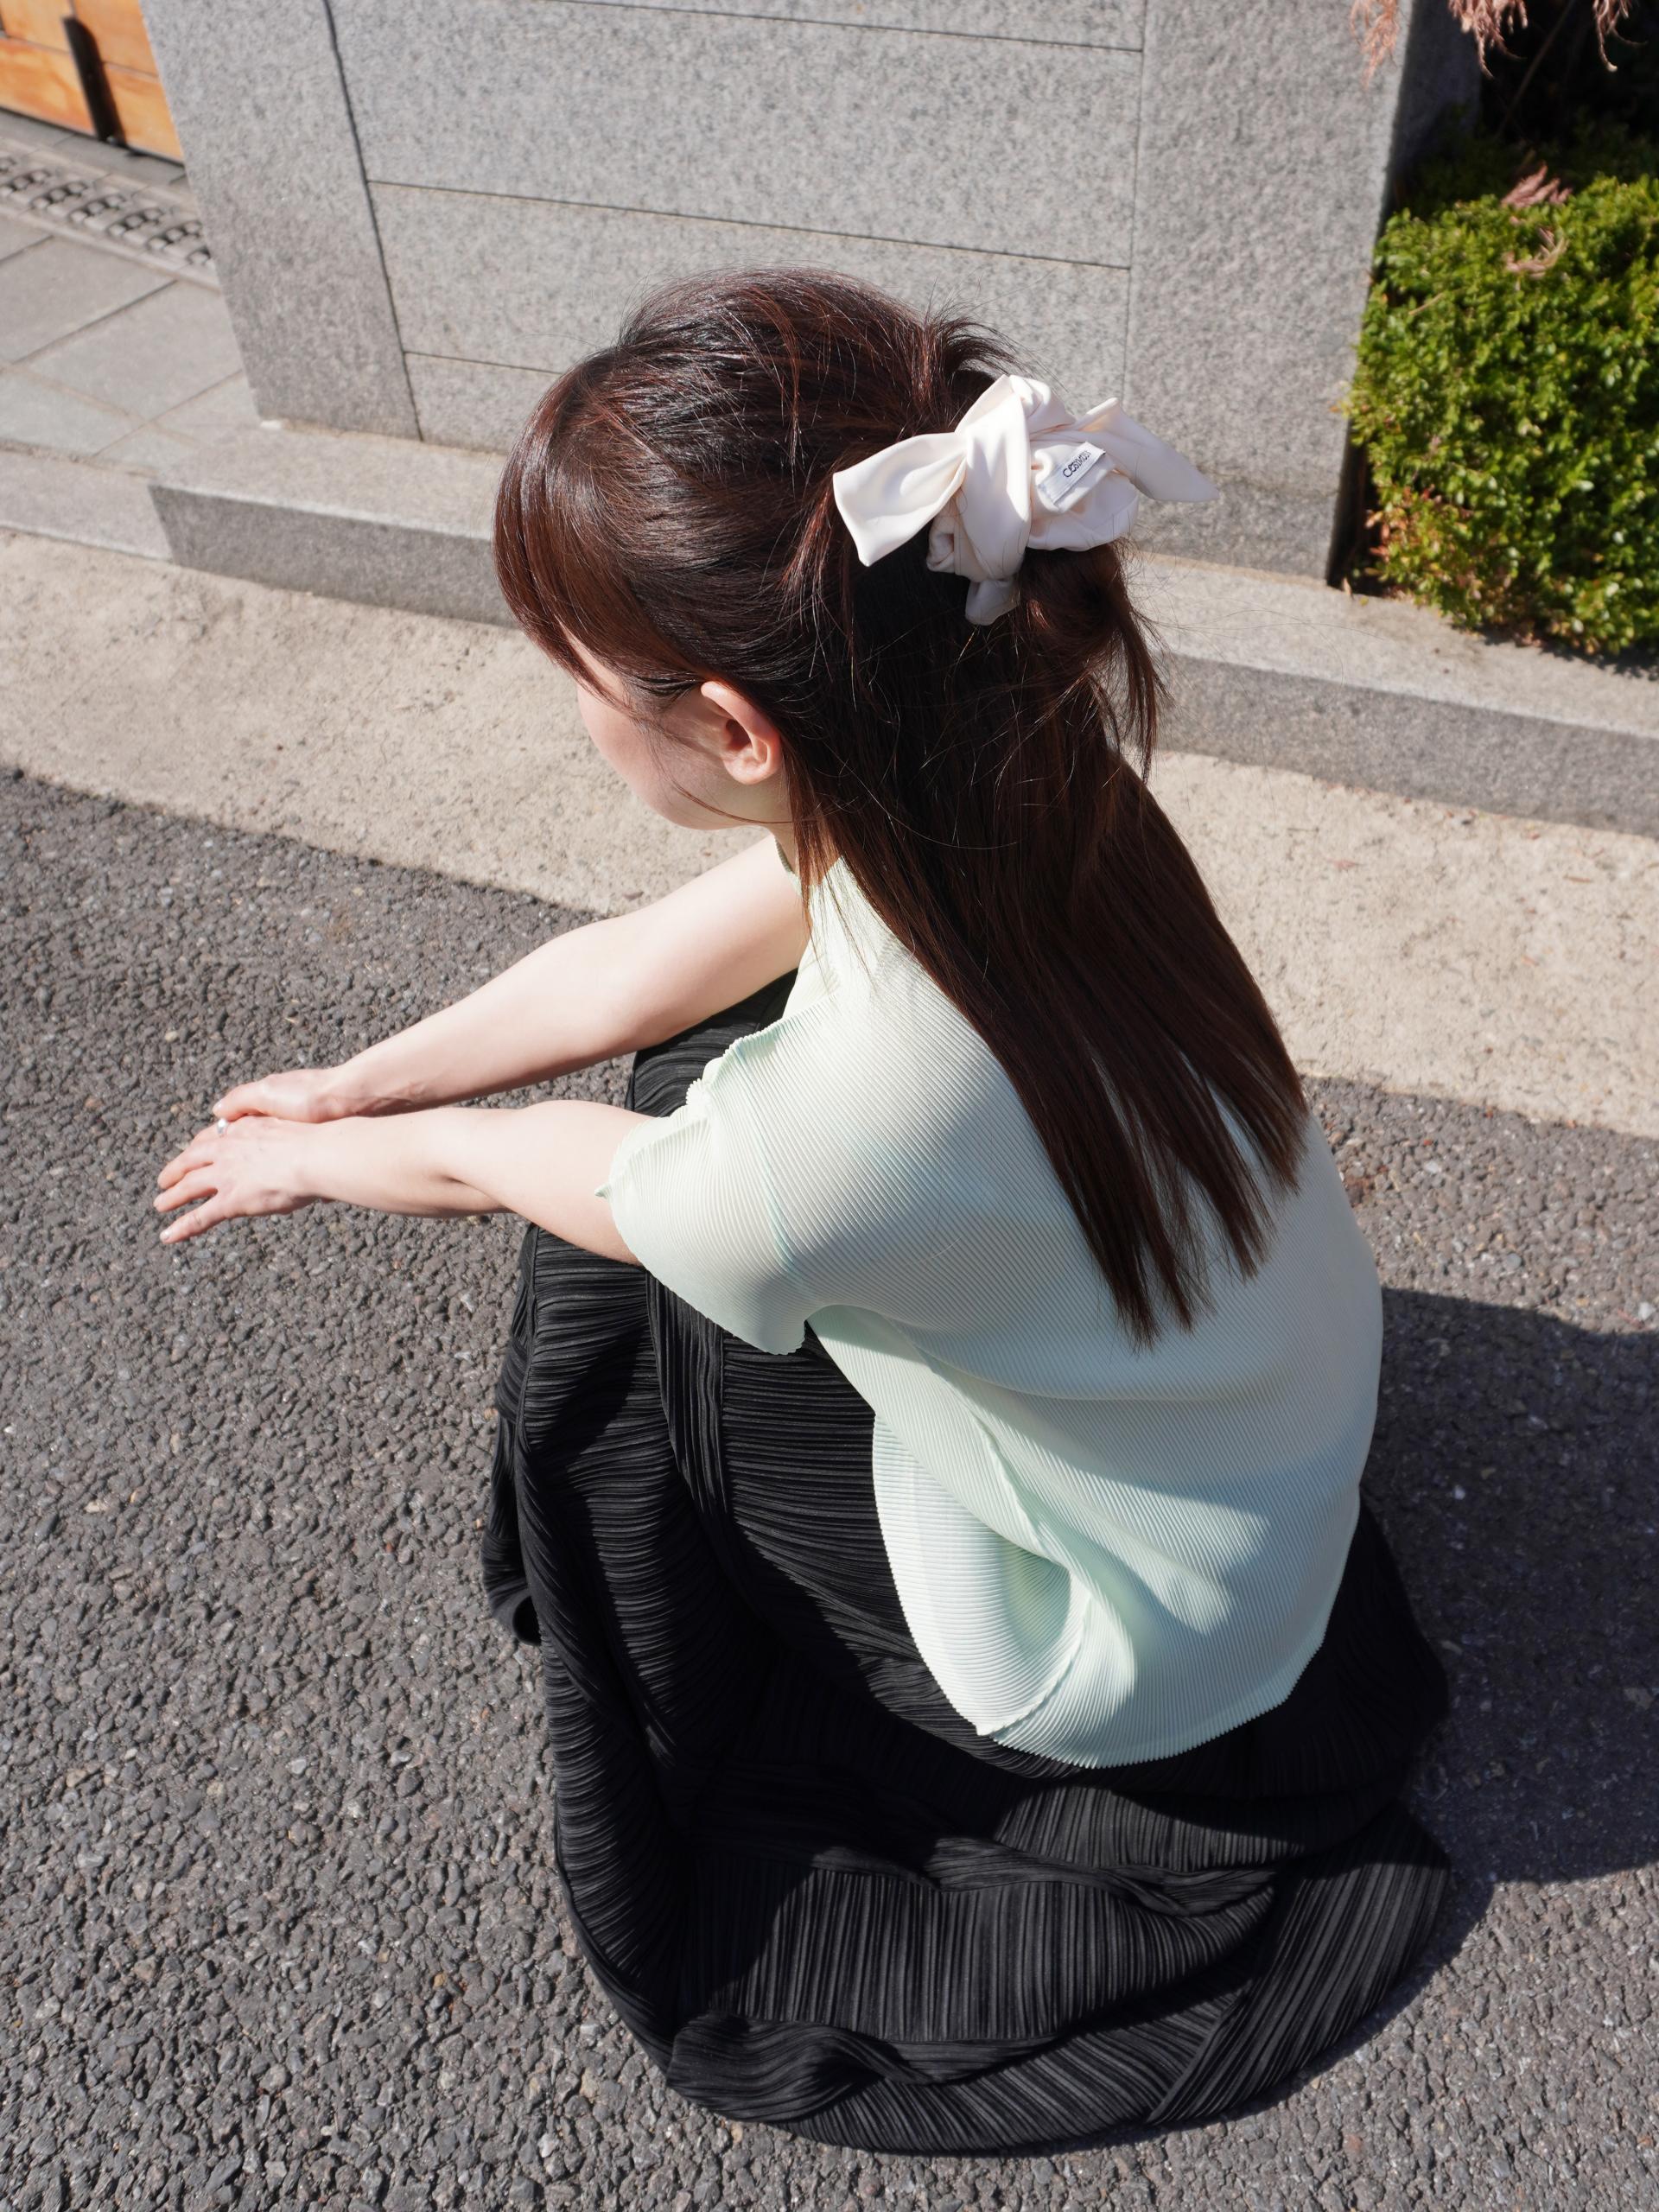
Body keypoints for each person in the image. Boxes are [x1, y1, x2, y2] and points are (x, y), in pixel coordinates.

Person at [154, 268, 1451, 2157]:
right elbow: (636, 968)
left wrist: (317, 1159)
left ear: (738, 726)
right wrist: (363, 1080)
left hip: (1124, 1626)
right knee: (682, 1088)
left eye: (577, 672)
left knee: (619, 1285)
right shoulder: (995, 758)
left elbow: (536, 1166)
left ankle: (666, 1624)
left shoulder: (849, 1118)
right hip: (1256, 1443)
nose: (570, 708)